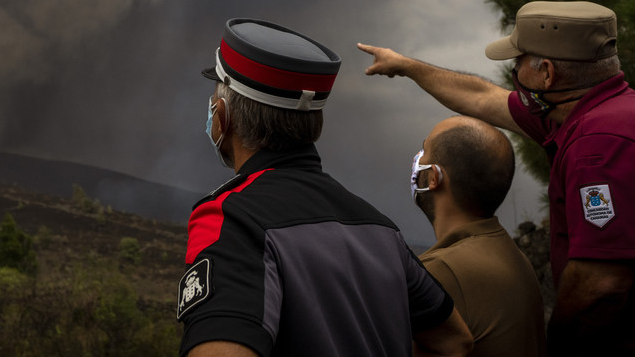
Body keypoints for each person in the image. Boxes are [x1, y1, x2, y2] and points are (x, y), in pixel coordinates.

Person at [359, 0, 635, 356]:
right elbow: (481, 98)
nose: (513, 70)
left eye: (518, 61)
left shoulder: (603, 143)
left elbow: (601, 285)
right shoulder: (599, 110)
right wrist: (406, 66)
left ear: (546, 73)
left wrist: (554, 347)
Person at [179, 18, 472, 357]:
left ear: (224, 116)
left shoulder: (231, 218)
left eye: (214, 100)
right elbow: (455, 341)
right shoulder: (379, 228)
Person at [412, 115, 546, 357]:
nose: (417, 159)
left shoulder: (441, 272)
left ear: (434, 178)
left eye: (424, 150)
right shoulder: (508, 252)